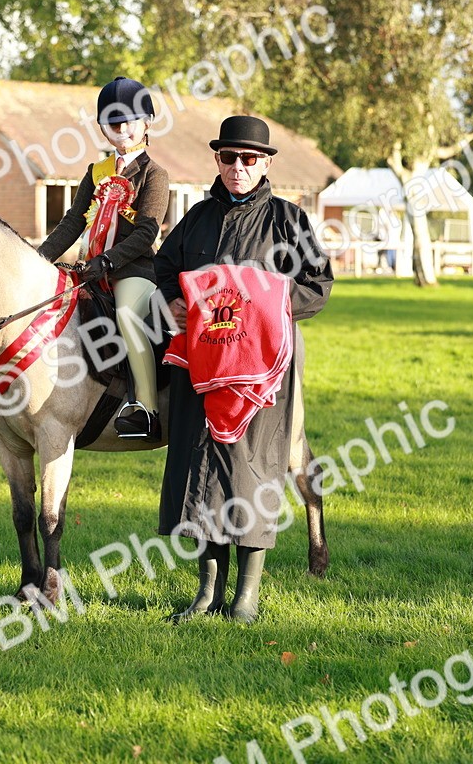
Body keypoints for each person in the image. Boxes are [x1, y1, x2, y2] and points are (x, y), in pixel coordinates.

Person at [154, 115, 333, 623]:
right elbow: (165, 267)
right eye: (228, 158)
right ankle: (207, 593)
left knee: (252, 471)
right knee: (200, 467)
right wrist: (170, 300)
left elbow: (317, 284)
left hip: (262, 370)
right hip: (203, 363)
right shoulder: (196, 218)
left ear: (265, 163)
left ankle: (246, 598)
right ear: (217, 160)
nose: (237, 167)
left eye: (248, 159)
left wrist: (267, 306)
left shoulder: (288, 221)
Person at [38, 76, 170, 440]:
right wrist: (38, 258)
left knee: (128, 315)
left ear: (146, 124)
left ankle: (146, 409)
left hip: (135, 270)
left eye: (130, 120)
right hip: (90, 266)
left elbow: (147, 232)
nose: (122, 127)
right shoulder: (95, 173)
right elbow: (72, 222)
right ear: (102, 128)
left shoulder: (154, 175)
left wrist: (109, 262)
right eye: (114, 121)